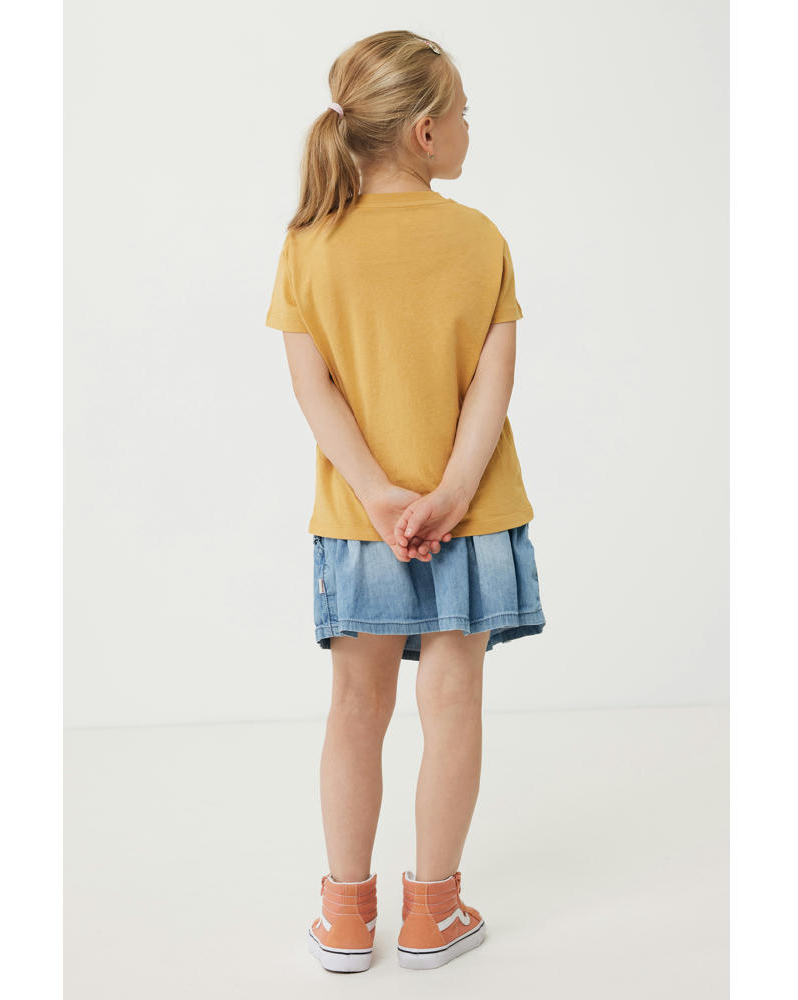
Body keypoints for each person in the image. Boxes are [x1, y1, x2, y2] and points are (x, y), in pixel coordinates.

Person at [264, 30, 546, 973]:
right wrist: (453, 493)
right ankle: (433, 913)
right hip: (474, 516)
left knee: (355, 705)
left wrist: (380, 496)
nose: (469, 129)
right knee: (453, 700)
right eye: (463, 115)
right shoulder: (480, 238)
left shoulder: (307, 243)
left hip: (360, 523)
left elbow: (313, 389)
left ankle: (347, 918)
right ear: (425, 132)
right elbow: (493, 386)